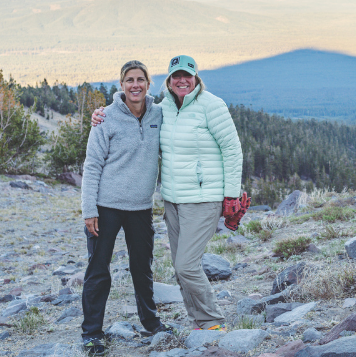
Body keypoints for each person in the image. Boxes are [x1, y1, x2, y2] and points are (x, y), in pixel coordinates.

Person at [92, 55, 243, 331]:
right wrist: (102, 113)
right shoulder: (163, 110)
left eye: (187, 75)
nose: (182, 80)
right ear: (168, 81)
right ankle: (199, 321)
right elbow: (128, 118)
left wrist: (231, 195)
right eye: (176, 76)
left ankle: (213, 320)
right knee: (180, 266)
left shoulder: (212, 106)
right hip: (172, 201)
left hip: (203, 198)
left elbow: (232, 150)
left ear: (196, 77)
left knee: (186, 265)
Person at [80, 60, 169, 356]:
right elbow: (92, 165)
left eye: (140, 79)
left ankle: (151, 323)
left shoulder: (159, 113)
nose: (135, 85)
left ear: (148, 84)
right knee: (98, 270)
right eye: (129, 80)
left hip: (141, 208)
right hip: (106, 207)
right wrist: (88, 209)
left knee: (142, 268)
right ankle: (92, 333)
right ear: (121, 85)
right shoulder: (105, 118)